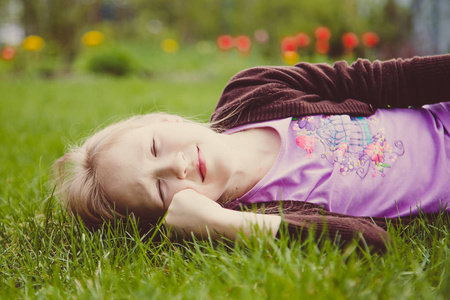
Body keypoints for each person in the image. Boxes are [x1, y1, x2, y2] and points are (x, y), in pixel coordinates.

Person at [55, 54, 450, 252]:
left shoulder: (254, 90)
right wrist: (223, 223)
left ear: (168, 121)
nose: (176, 165)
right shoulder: (255, 214)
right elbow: (370, 242)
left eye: (156, 147)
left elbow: (387, 80)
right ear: (175, 213)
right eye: (160, 189)